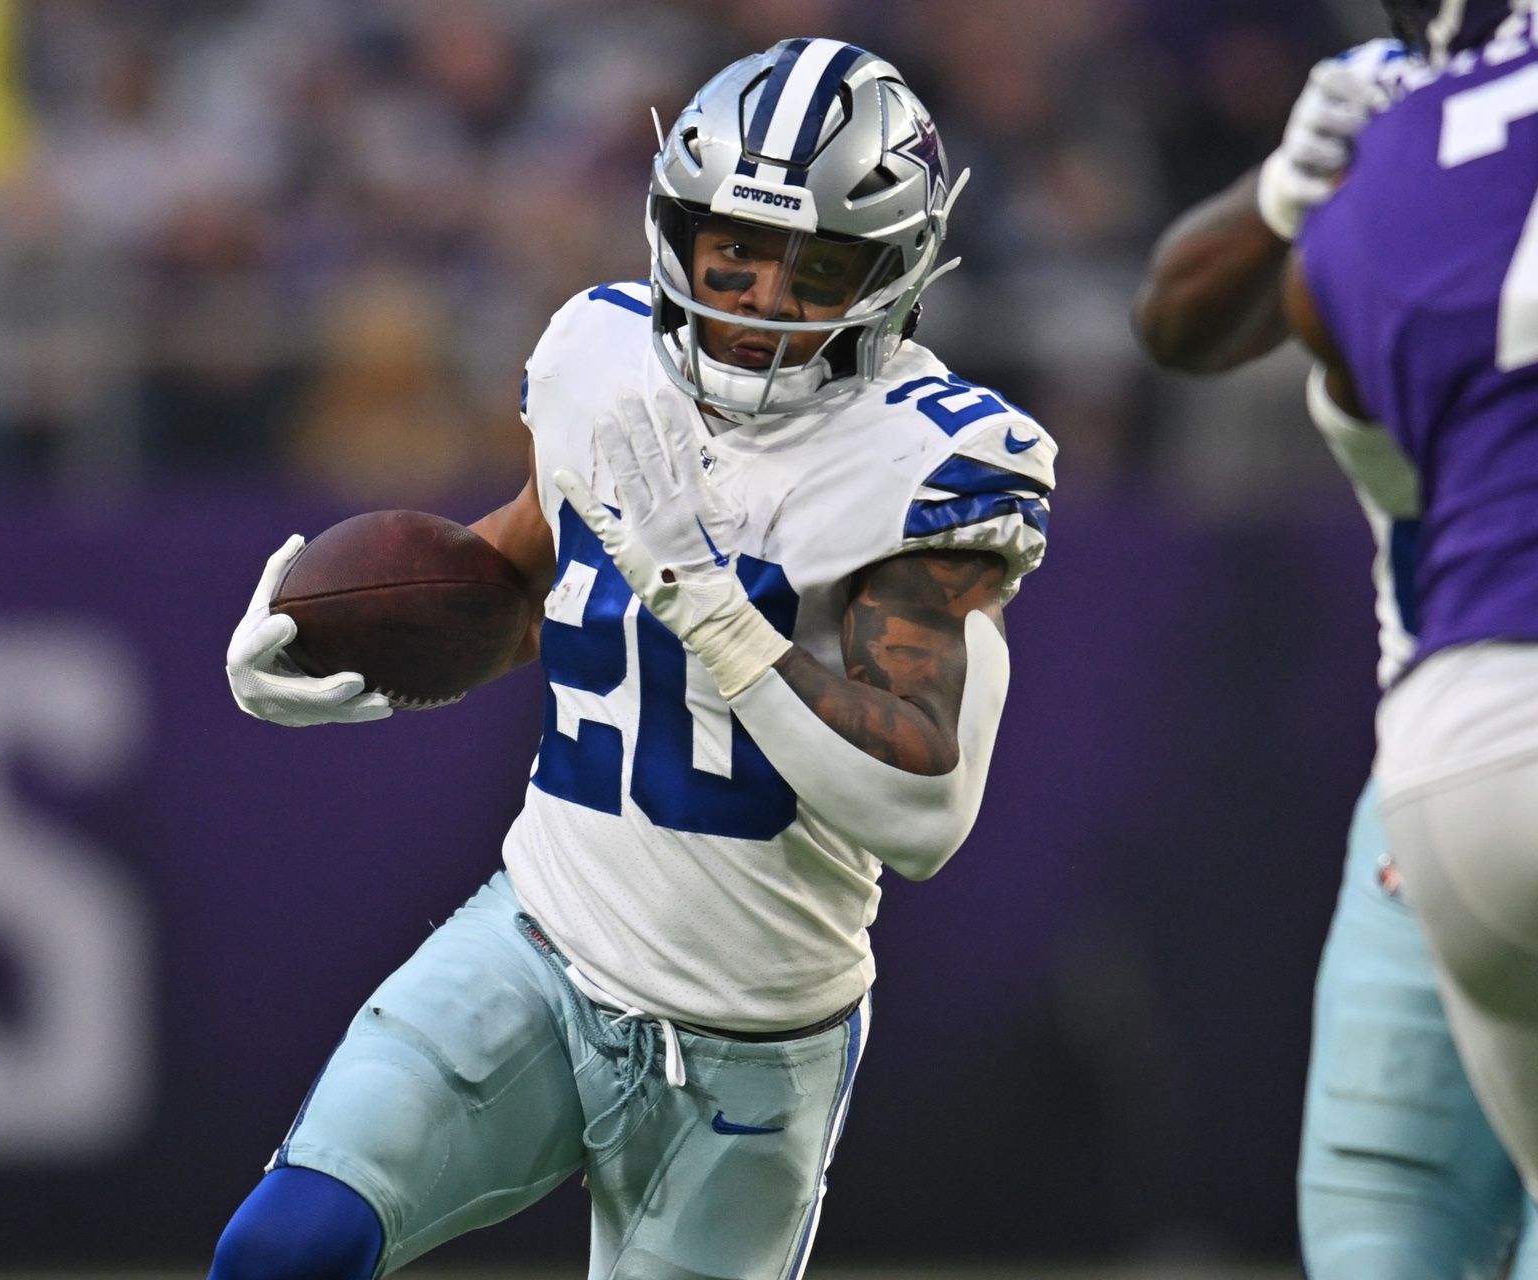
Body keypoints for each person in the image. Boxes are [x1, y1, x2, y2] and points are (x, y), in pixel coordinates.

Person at [215, 37, 1055, 1280]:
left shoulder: (927, 464)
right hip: (540, 945)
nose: (765, 290)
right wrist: (339, 646)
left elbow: (920, 807)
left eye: (818, 265)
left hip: (753, 1051)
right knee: (282, 1253)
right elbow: (521, 584)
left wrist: (708, 604)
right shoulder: (600, 359)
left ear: (894, 274)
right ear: (678, 229)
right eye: (738, 247)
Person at [1134, 28, 1538, 1278]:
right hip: (1435, 715)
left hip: (1450, 737)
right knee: (1378, 1233)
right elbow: (1178, 321)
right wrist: (1280, 188)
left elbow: (1214, 326)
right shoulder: (1404, 105)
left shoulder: (1424, 142)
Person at [1283, 0, 1538, 1217]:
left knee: (1382, 1211)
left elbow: (1222, 322)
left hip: (1446, 744)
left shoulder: (1398, 157)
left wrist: (1297, 192)